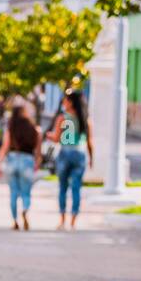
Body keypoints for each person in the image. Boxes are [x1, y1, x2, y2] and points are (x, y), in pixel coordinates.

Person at [48, 89, 93, 227]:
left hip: (65, 153)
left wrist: (49, 135)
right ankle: (73, 220)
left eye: (65, 100)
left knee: (62, 187)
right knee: (76, 188)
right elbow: (90, 142)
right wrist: (92, 158)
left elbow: (56, 139)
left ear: (71, 102)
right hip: (79, 154)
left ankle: (62, 219)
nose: (63, 103)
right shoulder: (85, 119)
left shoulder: (62, 118)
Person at [0, 101, 42, 229]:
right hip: (27, 160)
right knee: (26, 192)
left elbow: (4, 147)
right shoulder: (35, 129)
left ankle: (15, 221)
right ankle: (25, 209)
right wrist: (37, 163)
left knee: (13, 193)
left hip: (12, 159)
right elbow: (38, 151)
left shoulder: (11, 128)